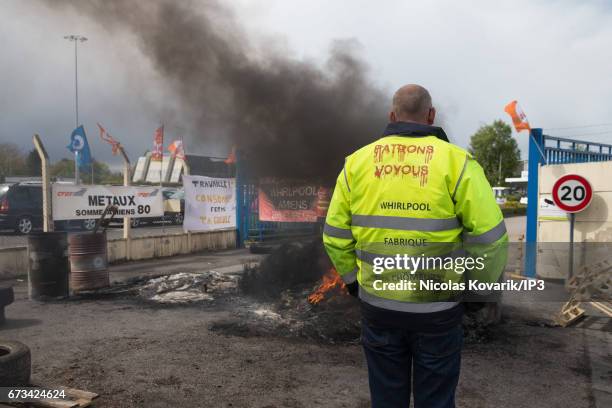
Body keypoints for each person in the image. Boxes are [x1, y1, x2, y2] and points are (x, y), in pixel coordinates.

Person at [322, 84, 508, 408]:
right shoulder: (458, 163)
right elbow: (492, 241)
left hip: (379, 308)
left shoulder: (356, 163)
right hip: (438, 311)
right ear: (431, 115)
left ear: (392, 116)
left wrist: (352, 282)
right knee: (435, 401)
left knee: (386, 398)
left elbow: (335, 236)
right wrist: (477, 291)